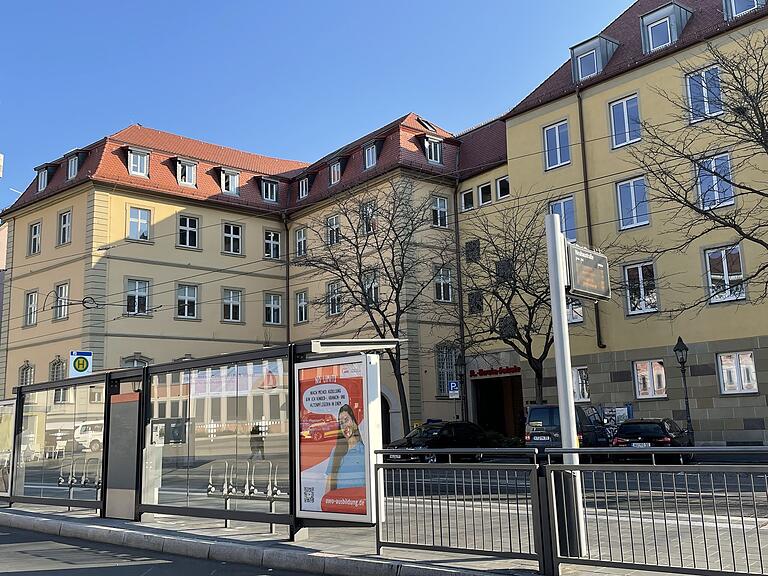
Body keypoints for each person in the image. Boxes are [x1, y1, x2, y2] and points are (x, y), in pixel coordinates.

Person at [325, 404, 365, 492]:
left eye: (346, 420)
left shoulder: (365, 451)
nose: (344, 426)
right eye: (341, 423)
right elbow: (329, 481)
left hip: (359, 502)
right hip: (341, 502)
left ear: (354, 422)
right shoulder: (336, 451)